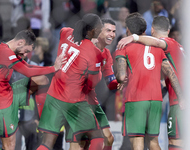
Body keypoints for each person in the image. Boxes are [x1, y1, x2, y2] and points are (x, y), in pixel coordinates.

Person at [115, 12, 183, 150]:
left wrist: (119, 79)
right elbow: (171, 73)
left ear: (128, 29)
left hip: (136, 98)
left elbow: (121, 76)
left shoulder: (124, 46)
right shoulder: (157, 49)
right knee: (153, 142)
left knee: (138, 142)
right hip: (156, 99)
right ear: (145, 30)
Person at [37, 13, 104, 150]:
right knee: (97, 138)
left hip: (53, 96)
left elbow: (64, 31)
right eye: (100, 28)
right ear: (93, 31)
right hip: (74, 101)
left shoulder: (66, 32)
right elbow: (92, 83)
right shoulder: (94, 51)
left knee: (47, 144)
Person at [0, 29, 65, 150]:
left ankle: (35, 112)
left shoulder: (3, 48)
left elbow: (28, 66)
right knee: (8, 145)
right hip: (1, 101)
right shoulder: (6, 52)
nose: (25, 55)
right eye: (26, 51)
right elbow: (27, 71)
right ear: (20, 42)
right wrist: (54, 68)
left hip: (6, 93)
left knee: (43, 80)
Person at [67, 18, 124, 150]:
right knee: (82, 143)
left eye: (114, 31)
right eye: (108, 30)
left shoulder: (107, 54)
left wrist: (120, 82)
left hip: (93, 101)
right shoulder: (84, 46)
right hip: (76, 101)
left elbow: (110, 82)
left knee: (109, 138)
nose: (112, 34)